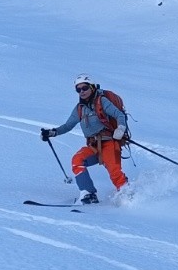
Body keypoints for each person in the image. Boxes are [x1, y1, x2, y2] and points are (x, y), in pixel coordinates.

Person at [41, 74, 128, 204]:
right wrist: (53, 132)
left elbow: (119, 115)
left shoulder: (102, 101)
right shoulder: (80, 108)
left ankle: (128, 196)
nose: (82, 91)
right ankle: (88, 194)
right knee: (77, 161)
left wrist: (120, 129)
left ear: (92, 87)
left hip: (110, 142)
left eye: (85, 88)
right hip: (93, 145)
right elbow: (68, 125)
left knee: (114, 171)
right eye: (78, 89)